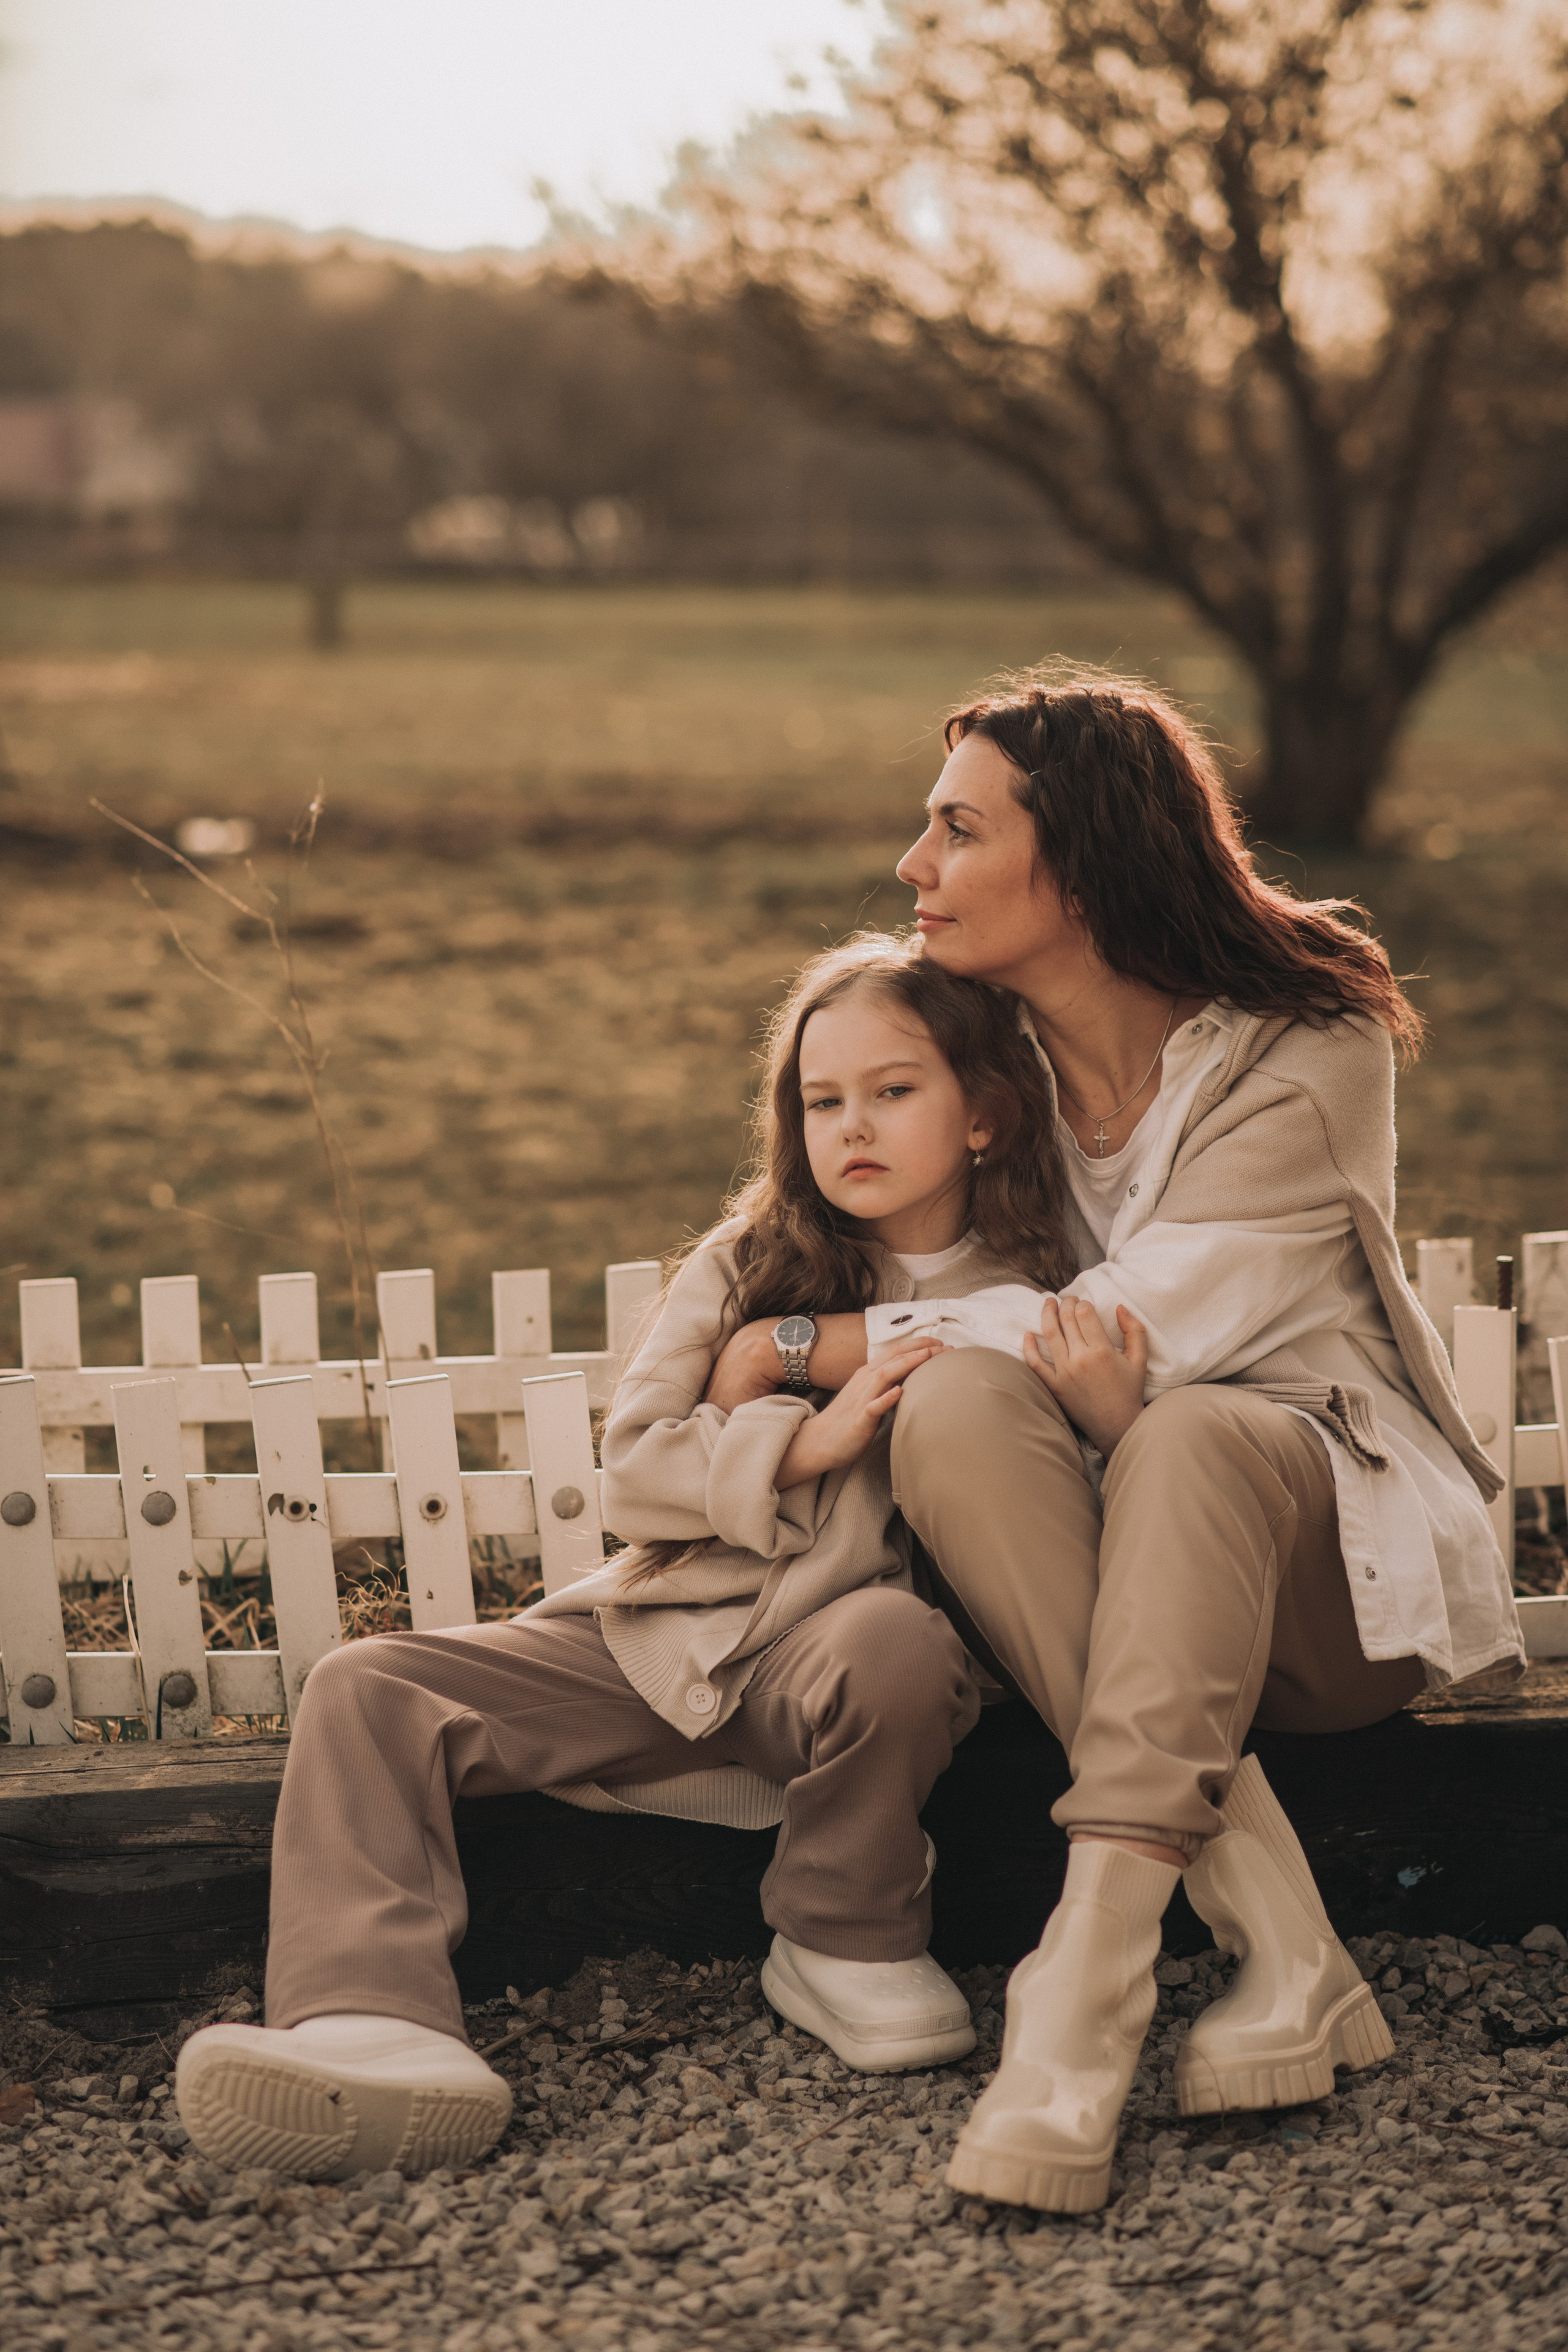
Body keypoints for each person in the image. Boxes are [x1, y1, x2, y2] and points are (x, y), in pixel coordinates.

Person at [703, 674, 1521, 2215]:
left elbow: (1149, 1335)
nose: (910, 866)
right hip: (1089, 1580)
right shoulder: (981, 1055)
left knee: (1194, 1433)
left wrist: (810, 1352)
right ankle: (1282, 1950)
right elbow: (833, 1172)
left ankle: (1080, 1991)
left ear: (1074, 863)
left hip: (1318, 1585)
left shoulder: (1306, 1047)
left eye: (955, 829)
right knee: (956, 1395)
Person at [175, 933, 1120, 2181]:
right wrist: (797, 1434)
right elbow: (634, 1470)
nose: (851, 1127)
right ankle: (372, 2024)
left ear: (986, 1114)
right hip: (676, 1633)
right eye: (820, 1099)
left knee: (889, 1644)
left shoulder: (1040, 1287)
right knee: (369, 1685)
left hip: (854, 1662)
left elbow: (1069, 1501)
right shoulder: (750, 1261)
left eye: (892, 1091)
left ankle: (843, 1932)